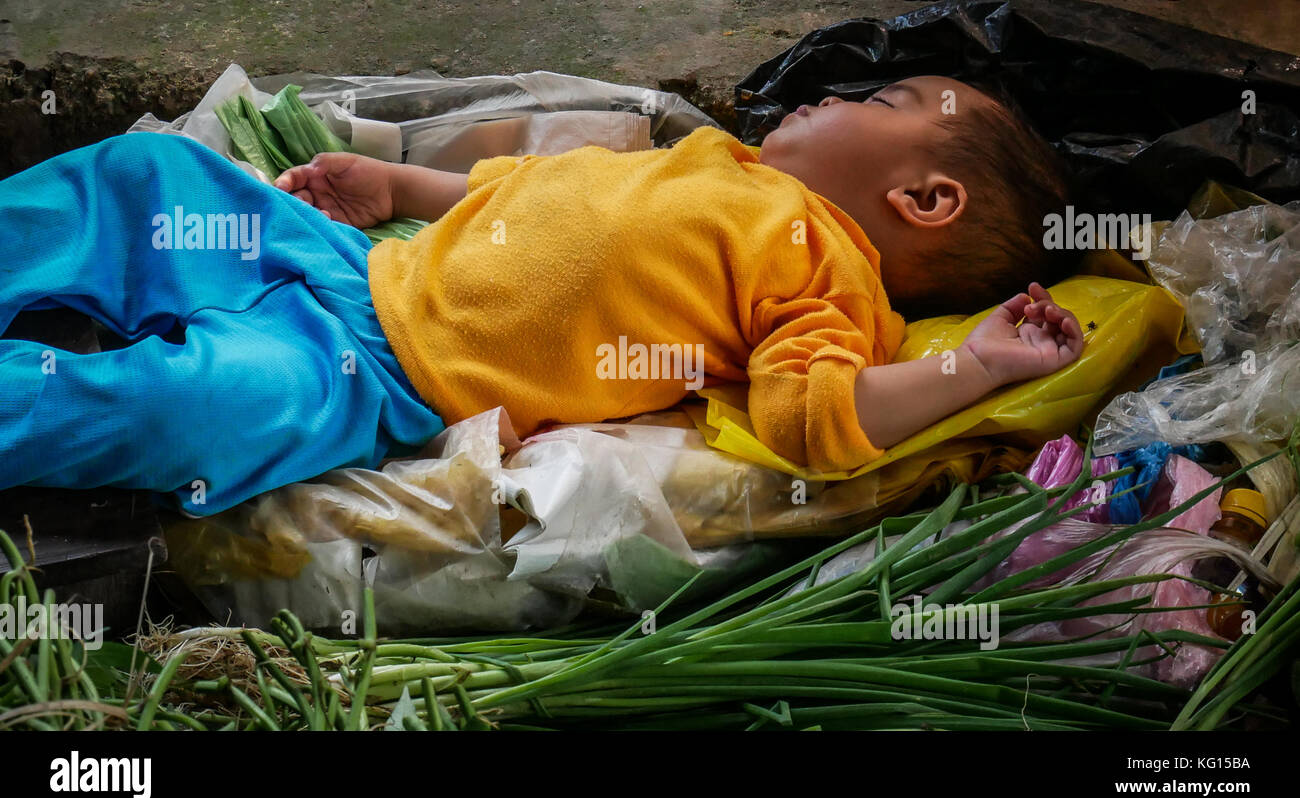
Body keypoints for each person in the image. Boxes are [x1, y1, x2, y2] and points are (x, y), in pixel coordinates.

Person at [0, 75, 1082, 515]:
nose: (835, 88)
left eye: (879, 96)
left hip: (365, 377)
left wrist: (973, 364)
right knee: (149, 182)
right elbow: (520, 190)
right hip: (355, 263)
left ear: (925, 197)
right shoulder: (716, 161)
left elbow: (817, 417)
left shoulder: (823, 274)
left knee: (174, 406)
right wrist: (394, 185)